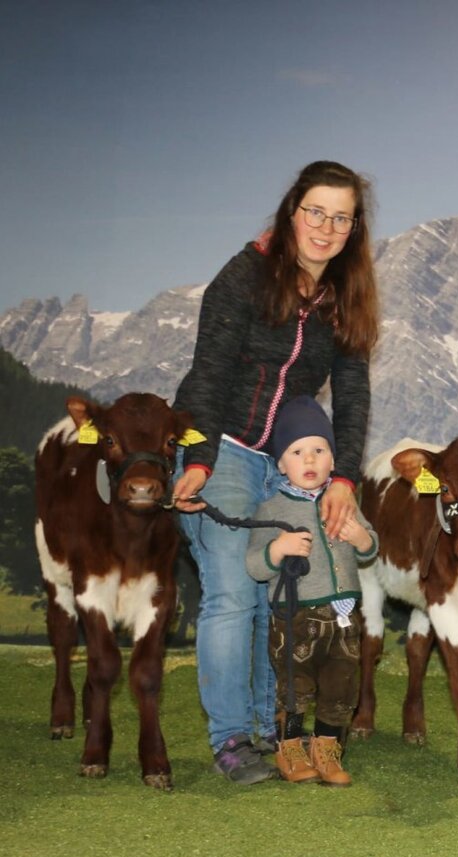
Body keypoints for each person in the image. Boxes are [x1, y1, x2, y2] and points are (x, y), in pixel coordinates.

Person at [173, 161, 379, 784]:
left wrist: (342, 477)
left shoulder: (346, 294)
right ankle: (232, 739)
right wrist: (201, 459)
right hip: (226, 447)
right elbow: (207, 371)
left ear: (353, 228)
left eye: (340, 217)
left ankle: (274, 731)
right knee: (235, 592)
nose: (326, 227)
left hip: (293, 461)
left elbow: (352, 389)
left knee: (277, 597)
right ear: (292, 211)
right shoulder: (244, 275)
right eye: (315, 211)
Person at [245, 396, 378, 787]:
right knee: (295, 689)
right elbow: (253, 564)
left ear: (334, 461)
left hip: (344, 619)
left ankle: (327, 750)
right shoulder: (271, 509)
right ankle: (290, 749)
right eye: (297, 452)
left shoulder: (345, 504)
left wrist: (360, 538)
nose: (309, 460)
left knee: (341, 686)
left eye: (319, 451)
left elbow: (372, 549)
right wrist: (277, 549)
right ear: (280, 464)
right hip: (295, 619)